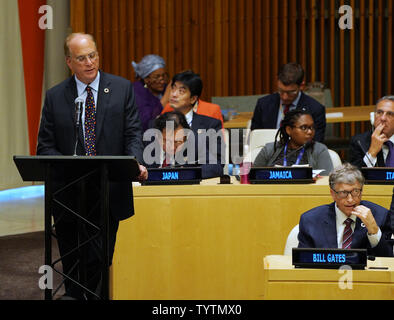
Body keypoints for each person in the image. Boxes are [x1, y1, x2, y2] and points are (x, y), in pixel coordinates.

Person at [36, 33, 148, 299]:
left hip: (108, 191)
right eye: (81, 58)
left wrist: (136, 162)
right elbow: (46, 146)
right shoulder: (55, 97)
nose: (89, 62)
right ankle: (76, 295)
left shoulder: (121, 89)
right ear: (69, 62)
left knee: (100, 258)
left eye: (93, 55)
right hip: (69, 195)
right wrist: (67, 165)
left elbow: (132, 133)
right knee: (73, 262)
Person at [298, 163, 393, 257]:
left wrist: (374, 231)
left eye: (355, 191)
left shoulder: (380, 216)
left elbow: (388, 259)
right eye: (343, 193)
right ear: (333, 194)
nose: (350, 199)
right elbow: (303, 260)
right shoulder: (311, 220)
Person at [163, 70, 224, 178]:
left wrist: (185, 174)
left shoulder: (211, 125)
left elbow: (216, 165)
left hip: (196, 185)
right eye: (173, 88)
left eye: (181, 91)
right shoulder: (157, 123)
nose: (174, 94)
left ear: (193, 99)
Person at [251, 62, 326, 142]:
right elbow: (255, 137)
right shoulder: (263, 105)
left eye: (291, 92)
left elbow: (316, 144)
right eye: (281, 91)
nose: (284, 97)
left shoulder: (315, 109)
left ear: (301, 86)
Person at [253, 109, 333, 175]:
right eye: (304, 127)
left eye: (312, 127)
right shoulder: (269, 149)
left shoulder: (319, 150)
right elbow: (253, 175)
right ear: (289, 130)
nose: (310, 132)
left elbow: (327, 181)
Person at [349, 96, 394, 168]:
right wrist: (372, 152)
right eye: (379, 112)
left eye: (390, 114)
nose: (383, 118)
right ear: (373, 116)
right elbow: (355, 176)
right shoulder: (359, 142)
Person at [131, 54, 171, 131]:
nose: (162, 81)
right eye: (157, 77)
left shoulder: (165, 88)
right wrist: (164, 100)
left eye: (164, 76)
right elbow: (146, 123)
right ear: (146, 79)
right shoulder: (137, 92)